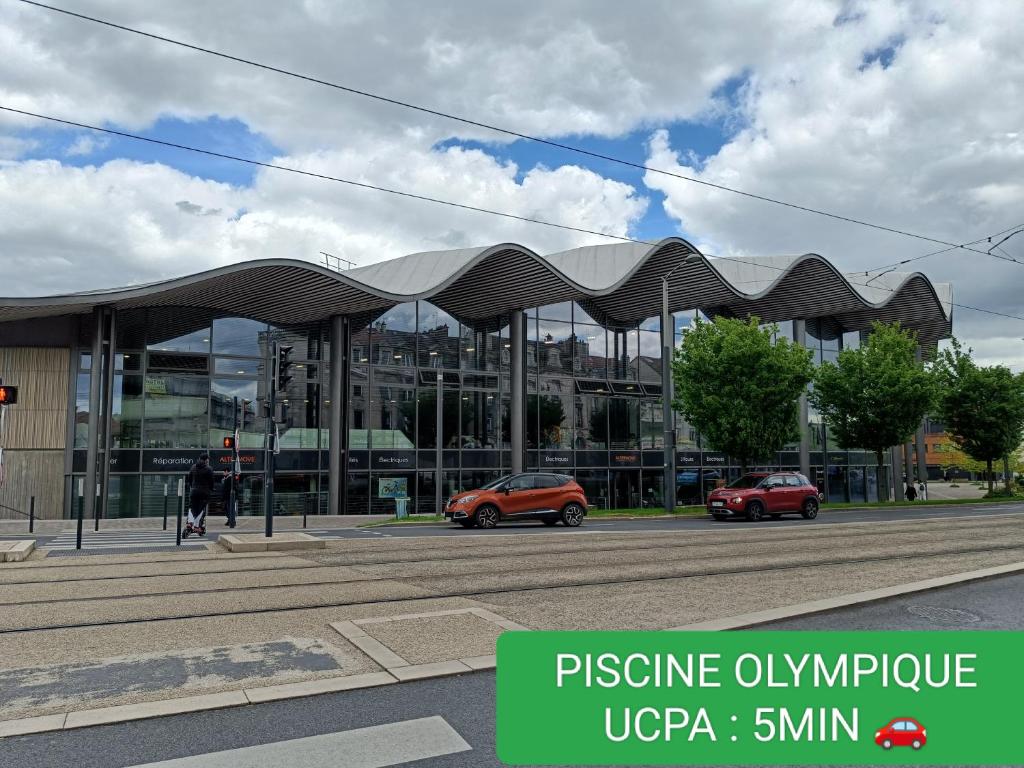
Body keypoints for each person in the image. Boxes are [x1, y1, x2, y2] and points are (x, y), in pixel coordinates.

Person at [185, 453, 215, 535]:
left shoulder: (193, 467)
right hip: (204, 492)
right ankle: (197, 526)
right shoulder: (209, 469)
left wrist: (193, 486)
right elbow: (211, 481)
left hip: (194, 491)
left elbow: (189, 478)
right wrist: (211, 489)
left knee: (191, 507)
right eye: (208, 459)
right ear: (206, 460)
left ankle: (189, 523)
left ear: (199, 458)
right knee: (200, 509)